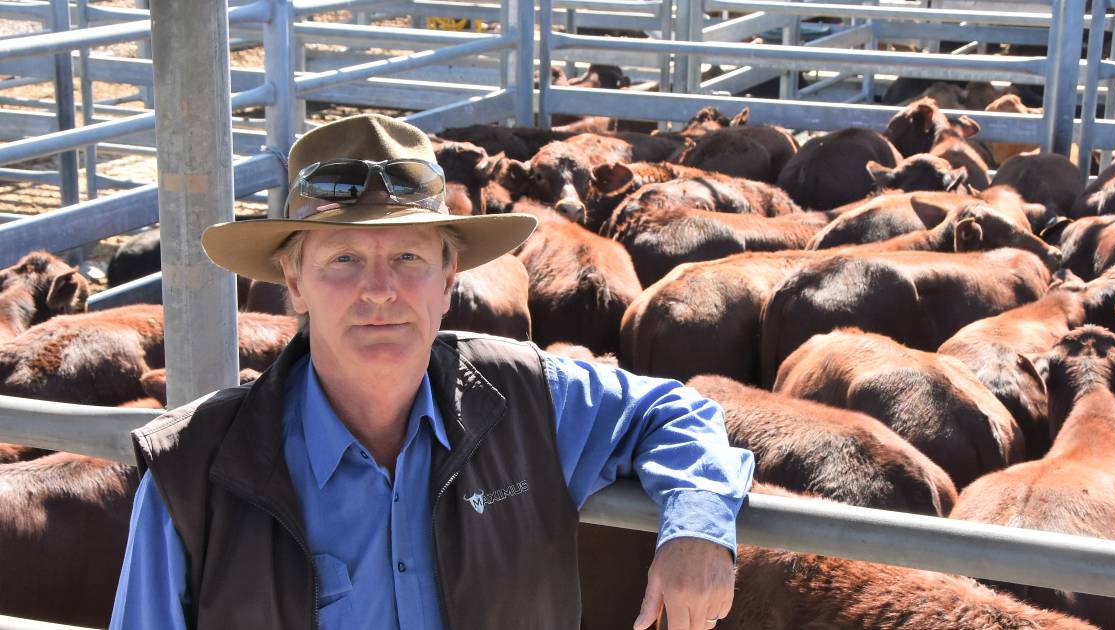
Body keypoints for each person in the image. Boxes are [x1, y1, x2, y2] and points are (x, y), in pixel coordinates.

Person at [109, 114, 754, 630]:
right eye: (343, 258)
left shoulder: (523, 396)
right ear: (293, 281)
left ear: (448, 281)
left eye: (411, 257)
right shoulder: (192, 477)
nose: (381, 290)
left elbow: (675, 410)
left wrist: (696, 526)